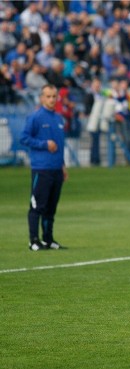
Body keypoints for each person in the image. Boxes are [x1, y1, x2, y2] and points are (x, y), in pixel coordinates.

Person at [20, 84, 68, 251]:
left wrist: (62, 166)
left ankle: (48, 239)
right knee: (37, 206)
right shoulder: (35, 117)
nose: (51, 100)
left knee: (51, 208)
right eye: (48, 96)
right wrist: (44, 144)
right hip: (42, 168)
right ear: (41, 98)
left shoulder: (58, 118)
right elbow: (24, 138)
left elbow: (60, 145)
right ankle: (33, 240)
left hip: (56, 170)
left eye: (54, 96)